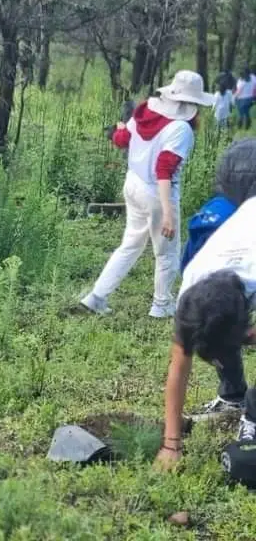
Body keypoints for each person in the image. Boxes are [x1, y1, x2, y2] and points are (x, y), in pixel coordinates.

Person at [79, 70, 215, 318]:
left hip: (133, 184)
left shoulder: (144, 111)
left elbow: (121, 140)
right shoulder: (180, 129)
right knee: (166, 252)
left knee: (130, 245)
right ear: (193, 104)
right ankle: (162, 305)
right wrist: (168, 214)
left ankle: (96, 296)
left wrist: (120, 129)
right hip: (157, 193)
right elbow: (164, 170)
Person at [155, 199, 256, 471]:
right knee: (220, 335)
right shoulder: (192, 291)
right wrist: (171, 444)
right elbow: (178, 367)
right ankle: (235, 395)